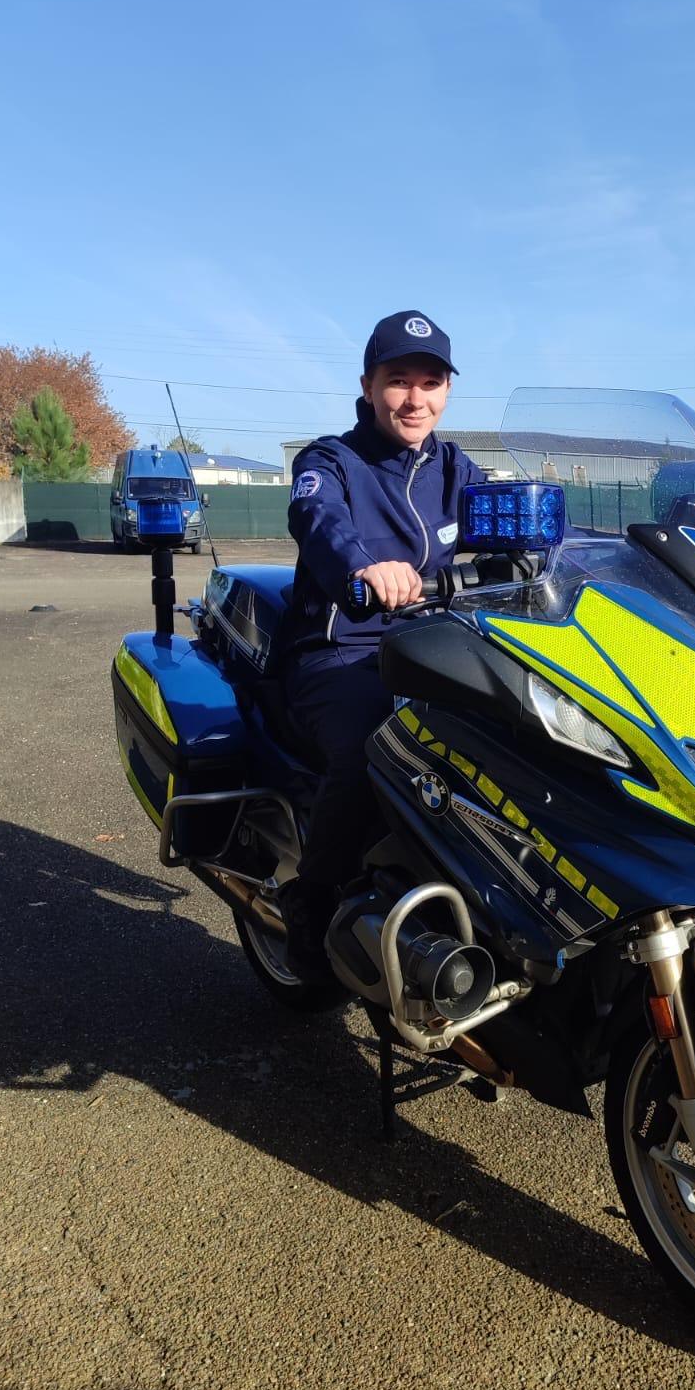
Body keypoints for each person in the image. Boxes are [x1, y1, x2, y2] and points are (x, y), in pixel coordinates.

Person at [279, 310, 480, 974]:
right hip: (343, 648)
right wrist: (363, 568)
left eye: (430, 382)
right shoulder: (331, 461)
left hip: (437, 645)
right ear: (368, 386)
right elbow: (319, 521)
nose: (415, 399)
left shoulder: (455, 468)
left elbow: (524, 525)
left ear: (447, 390)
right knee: (377, 741)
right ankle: (313, 899)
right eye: (398, 381)